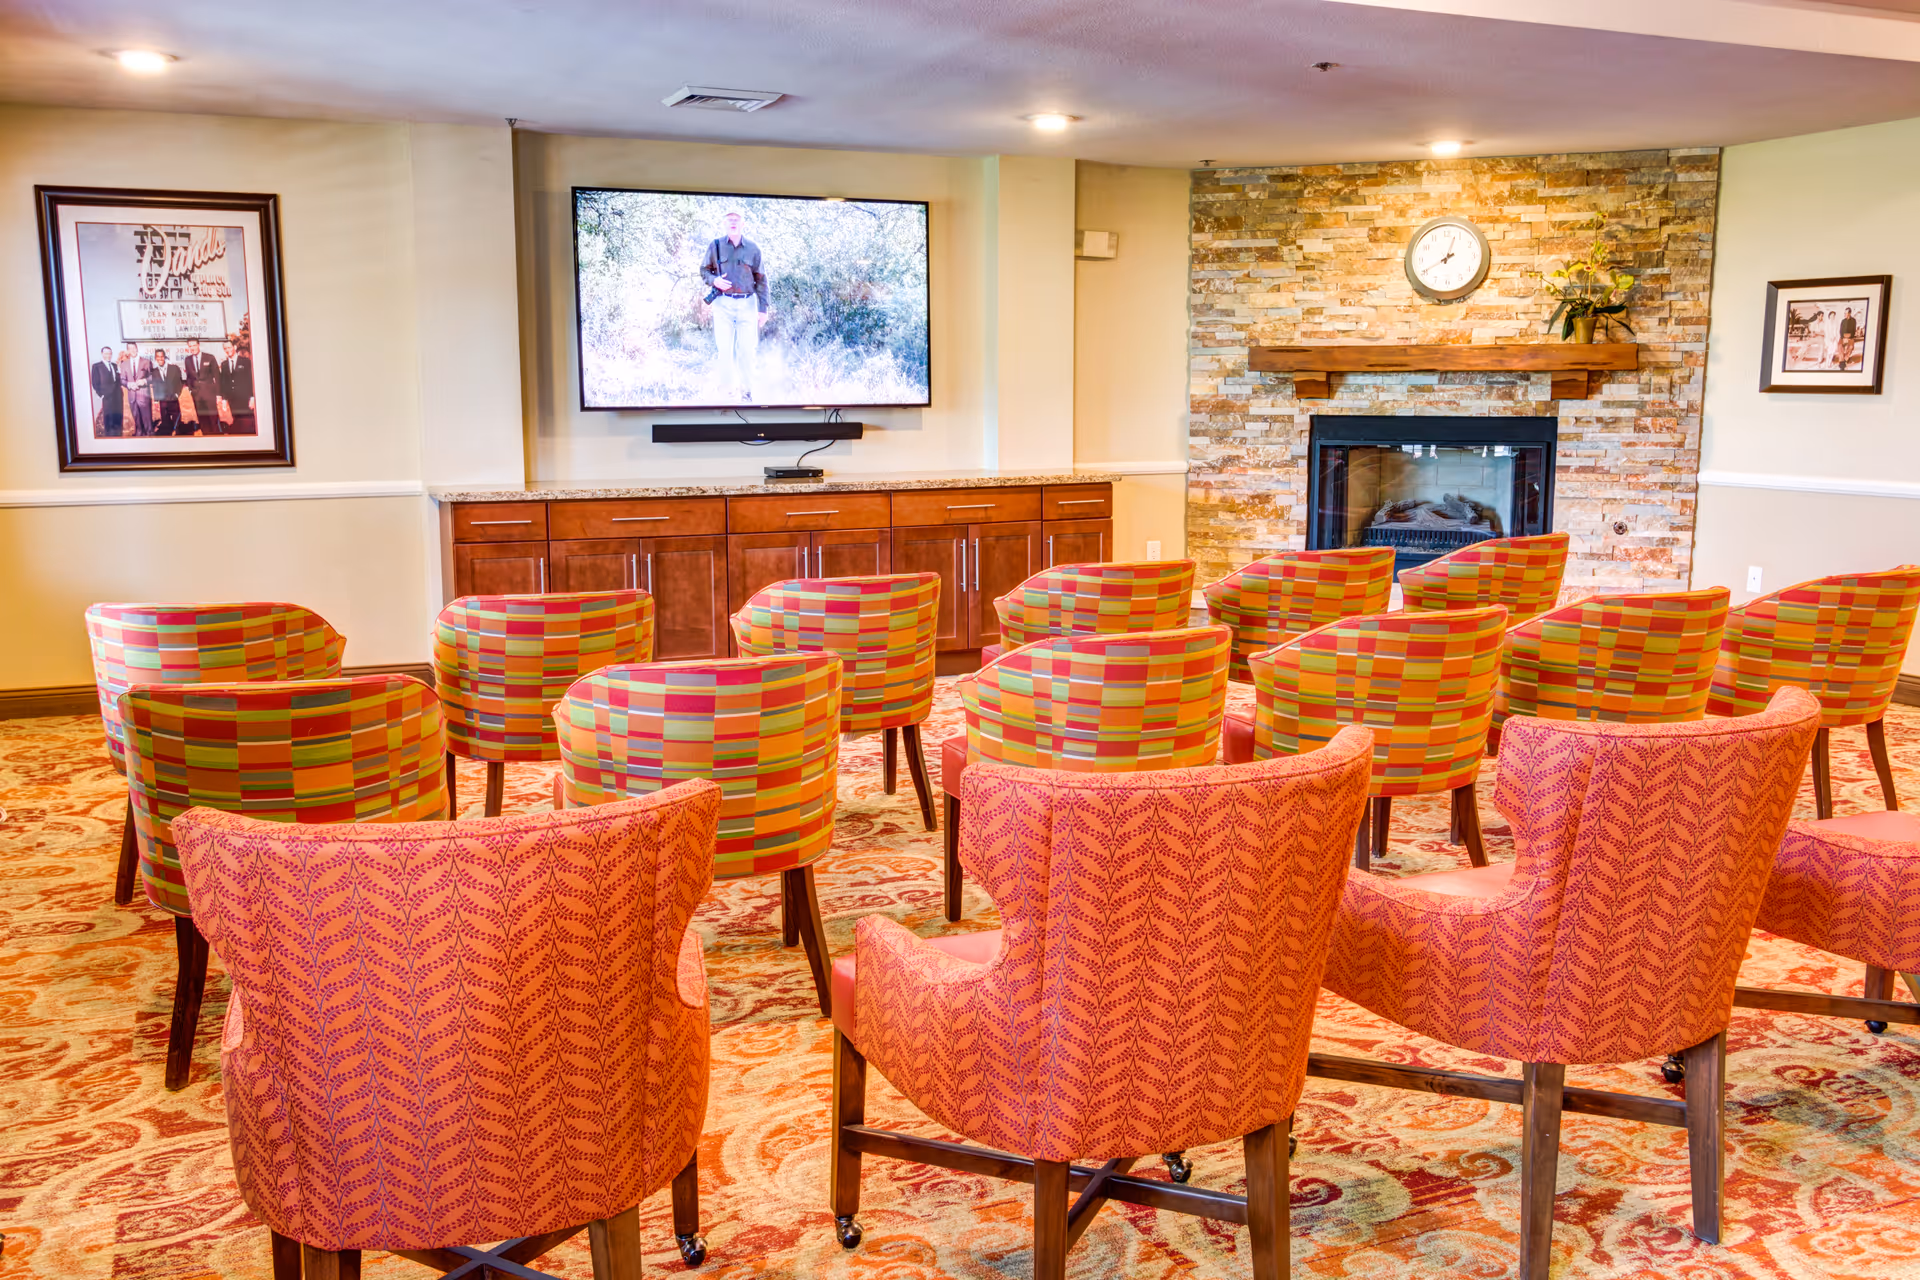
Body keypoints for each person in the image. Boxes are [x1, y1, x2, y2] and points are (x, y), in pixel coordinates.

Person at [700, 208, 770, 402]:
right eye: (729, 219)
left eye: (736, 219)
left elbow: (762, 279)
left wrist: (763, 309)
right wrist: (714, 281)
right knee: (725, 350)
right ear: (724, 223)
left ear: (743, 224)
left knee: (747, 351)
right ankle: (727, 394)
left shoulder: (753, 248)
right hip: (722, 304)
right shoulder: (715, 246)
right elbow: (704, 270)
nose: (733, 222)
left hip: (748, 304)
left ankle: (748, 394)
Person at [182, 338, 221, 435]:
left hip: (209, 394)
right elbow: (189, 378)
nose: (192, 348)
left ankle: (216, 437)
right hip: (197, 395)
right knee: (202, 418)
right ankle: (206, 436)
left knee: (213, 418)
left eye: (194, 345)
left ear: (198, 345)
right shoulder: (187, 360)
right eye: (190, 346)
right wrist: (191, 391)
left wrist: (219, 394)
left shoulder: (209, 357)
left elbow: (217, 376)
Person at [218, 339, 256, 436]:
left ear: (234, 347)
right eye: (225, 348)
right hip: (232, 399)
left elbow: (251, 380)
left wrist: (252, 397)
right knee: (236, 421)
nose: (227, 350)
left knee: (248, 422)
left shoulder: (246, 362)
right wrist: (224, 399)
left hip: (245, 398)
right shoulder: (224, 365)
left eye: (229, 347)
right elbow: (224, 382)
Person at [90, 346, 123, 437]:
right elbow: (95, 382)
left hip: (117, 397)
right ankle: (109, 439)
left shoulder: (114, 365)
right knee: (108, 420)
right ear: (102, 354)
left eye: (110, 353)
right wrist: (101, 394)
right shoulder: (96, 366)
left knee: (117, 418)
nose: (108, 355)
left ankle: (118, 437)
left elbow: (118, 380)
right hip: (107, 397)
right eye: (106, 353)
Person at [151, 348, 184, 436]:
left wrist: (177, 394)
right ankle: (167, 437)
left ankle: (178, 435)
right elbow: (155, 386)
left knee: (177, 420)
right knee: (165, 422)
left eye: (162, 356)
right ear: (155, 358)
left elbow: (180, 382)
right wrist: (156, 400)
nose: (160, 359)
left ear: (165, 357)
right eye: (158, 357)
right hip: (163, 400)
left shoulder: (174, 368)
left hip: (173, 399)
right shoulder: (154, 372)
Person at [124, 347, 155, 438]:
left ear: (137, 349)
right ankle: (139, 433)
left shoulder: (146, 362)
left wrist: (145, 381)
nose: (132, 350)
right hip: (132, 395)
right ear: (128, 351)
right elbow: (122, 379)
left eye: (134, 348)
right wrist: (129, 384)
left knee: (147, 418)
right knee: (136, 417)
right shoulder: (124, 364)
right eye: (130, 348)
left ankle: (149, 433)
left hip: (143, 394)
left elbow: (153, 376)